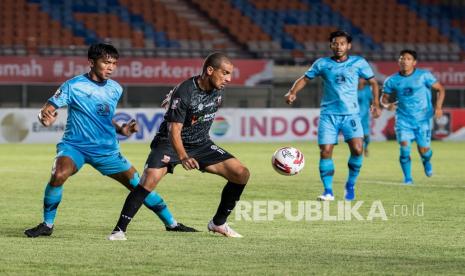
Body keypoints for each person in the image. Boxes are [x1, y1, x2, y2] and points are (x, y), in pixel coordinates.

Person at [24, 43, 197, 238]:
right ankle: (47, 225)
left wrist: (122, 129)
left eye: (114, 63)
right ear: (91, 62)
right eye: (106, 62)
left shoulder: (115, 89)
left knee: (140, 185)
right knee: (59, 173)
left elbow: (104, 118)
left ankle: (171, 223)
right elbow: (46, 109)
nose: (111, 67)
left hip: (107, 151)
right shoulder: (73, 86)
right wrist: (43, 117)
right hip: (75, 147)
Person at [107, 52, 250, 241]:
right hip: (169, 143)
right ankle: (119, 230)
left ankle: (218, 222)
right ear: (209, 70)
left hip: (200, 144)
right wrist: (183, 156)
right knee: (149, 180)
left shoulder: (217, 90)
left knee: (241, 173)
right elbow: (175, 130)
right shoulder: (185, 91)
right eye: (225, 73)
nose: (229, 79)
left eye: (230, 74)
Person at [284, 30, 381, 201]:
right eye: (335, 43)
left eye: (342, 43)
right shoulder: (322, 64)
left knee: (358, 150)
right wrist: (292, 92)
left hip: (351, 115)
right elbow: (305, 78)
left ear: (348, 46)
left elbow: (373, 82)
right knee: (325, 151)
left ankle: (350, 184)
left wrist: (376, 103)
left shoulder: (359, 63)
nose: (339, 46)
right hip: (329, 115)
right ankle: (328, 191)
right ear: (331, 45)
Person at [381, 49, 445, 184]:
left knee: (424, 151)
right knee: (404, 148)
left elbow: (440, 89)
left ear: (414, 62)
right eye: (402, 58)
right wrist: (387, 106)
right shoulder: (392, 80)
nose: (405, 61)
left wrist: (438, 107)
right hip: (403, 120)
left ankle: (426, 161)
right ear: (399, 61)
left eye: (408, 59)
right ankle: (408, 178)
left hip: (423, 120)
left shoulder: (424, 76)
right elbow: (384, 99)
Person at [357, 78, 373, 156]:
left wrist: (373, 107)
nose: (360, 80)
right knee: (358, 135)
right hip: (355, 116)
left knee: (366, 136)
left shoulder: (367, 89)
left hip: (365, 116)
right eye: (359, 78)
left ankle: (366, 147)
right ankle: (361, 149)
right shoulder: (352, 89)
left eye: (362, 79)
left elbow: (372, 100)